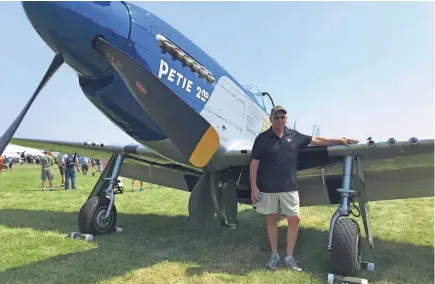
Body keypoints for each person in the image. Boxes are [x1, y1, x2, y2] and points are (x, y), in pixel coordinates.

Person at [250, 105, 358, 271]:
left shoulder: (294, 135)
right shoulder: (262, 138)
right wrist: (253, 187)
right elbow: (254, 163)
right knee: (271, 218)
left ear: (286, 119)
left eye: (282, 117)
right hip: (268, 187)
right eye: (276, 117)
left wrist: (338, 140)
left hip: (289, 187)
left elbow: (317, 140)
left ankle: (289, 257)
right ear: (271, 119)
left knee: (295, 219)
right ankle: (274, 255)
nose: (279, 120)